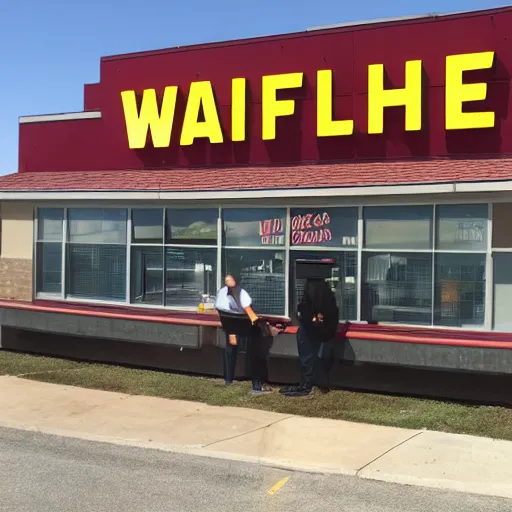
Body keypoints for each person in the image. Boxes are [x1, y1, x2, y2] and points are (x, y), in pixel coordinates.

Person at [280, 278, 339, 397]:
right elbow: (304, 308)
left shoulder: (321, 294)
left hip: (317, 329)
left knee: (308, 355)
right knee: (307, 353)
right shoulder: (321, 293)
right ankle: (307, 382)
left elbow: (315, 313)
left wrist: (314, 319)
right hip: (314, 328)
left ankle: (307, 383)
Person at [215, 273, 271, 395]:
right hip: (244, 329)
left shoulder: (222, 293)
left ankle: (228, 380)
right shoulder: (243, 294)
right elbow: (251, 315)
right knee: (255, 348)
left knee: (231, 349)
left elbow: (219, 309)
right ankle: (256, 385)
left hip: (229, 329)